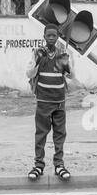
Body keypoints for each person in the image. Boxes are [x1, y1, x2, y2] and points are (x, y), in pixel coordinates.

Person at [26, 23, 73, 181]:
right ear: (44, 36)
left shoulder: (63, 53)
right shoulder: (38, 52)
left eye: (54, 35)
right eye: (48, 35)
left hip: (59, 100)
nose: (51, 38)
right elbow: (29, 73)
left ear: (58, 37)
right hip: (43, 100)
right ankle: (39, 165)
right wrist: (38, 61)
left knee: (59, 134)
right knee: (41, 134)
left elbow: (71, 76)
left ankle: (59, 165)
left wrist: (66, 64)